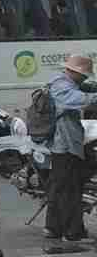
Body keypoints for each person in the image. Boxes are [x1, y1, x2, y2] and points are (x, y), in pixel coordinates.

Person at [44, 54, 97, 241]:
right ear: (74, 72)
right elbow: (79, 99)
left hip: (65, 143)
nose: (85, 78)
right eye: (83, 75)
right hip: (64, 144)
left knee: (60, 188)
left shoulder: (67, 83)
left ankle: (54, 228)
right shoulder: (61, 85)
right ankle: (72, 232)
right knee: (69, 190)